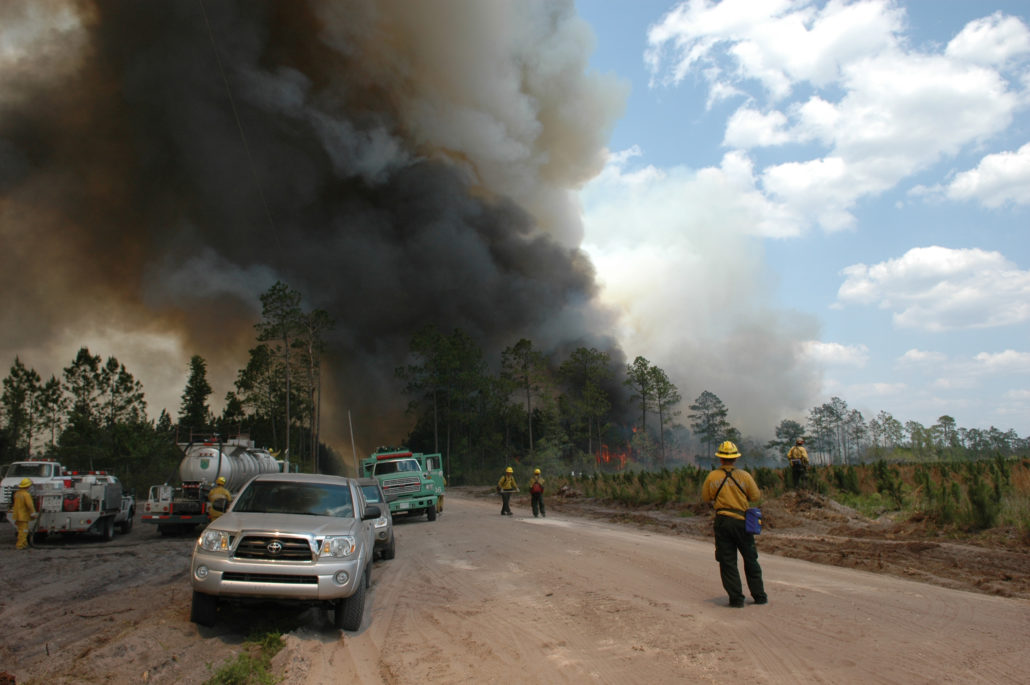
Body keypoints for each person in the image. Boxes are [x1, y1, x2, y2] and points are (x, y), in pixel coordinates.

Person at [701, 441, 767, 608]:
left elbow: (706, 498)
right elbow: (755, 497)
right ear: (735, 459)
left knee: (727, 561)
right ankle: (759, 596)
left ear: (721, 459)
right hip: (743, 521)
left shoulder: (712, 476)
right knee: (751, 558)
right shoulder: (745, 476)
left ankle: (736, 599)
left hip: (723, 522)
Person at [12, 478, 37, 550]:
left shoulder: (17, 494)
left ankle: (24, 543)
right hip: (23, 516)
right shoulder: (26, 495)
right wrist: (33, 514)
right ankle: (20, 545)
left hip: (17, 515)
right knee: (24, 531)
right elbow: (30, 505)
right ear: (27, 486)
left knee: (21, 530)